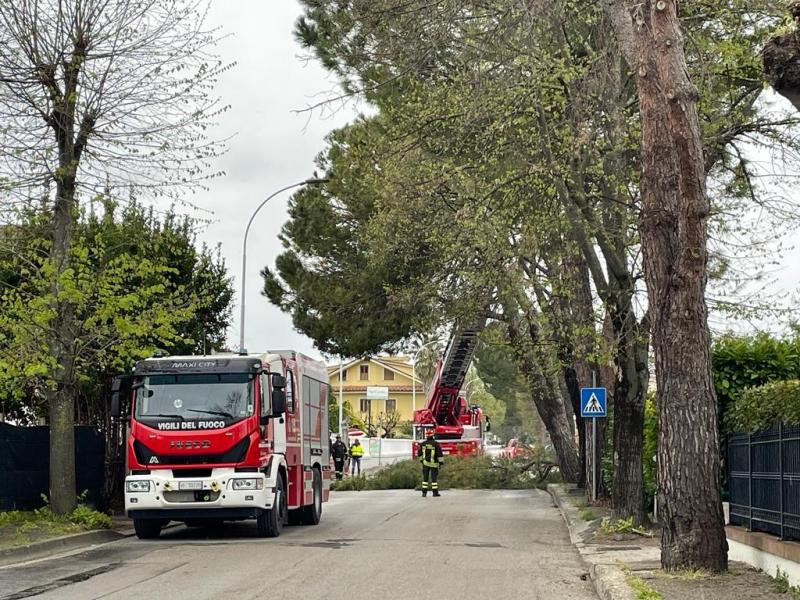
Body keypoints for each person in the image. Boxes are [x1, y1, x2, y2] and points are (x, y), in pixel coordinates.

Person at [417, 428, 443, 497]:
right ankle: (435, 493)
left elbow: (419, 453)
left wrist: (421, 461)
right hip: (434, 464)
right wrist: (440, 463)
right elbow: (439, 454)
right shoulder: (436, 444)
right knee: (434, 479)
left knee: (425, 479)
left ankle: (424, 493)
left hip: (425, 464)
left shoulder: (423, 444)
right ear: (432, 435)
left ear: (426, 436)